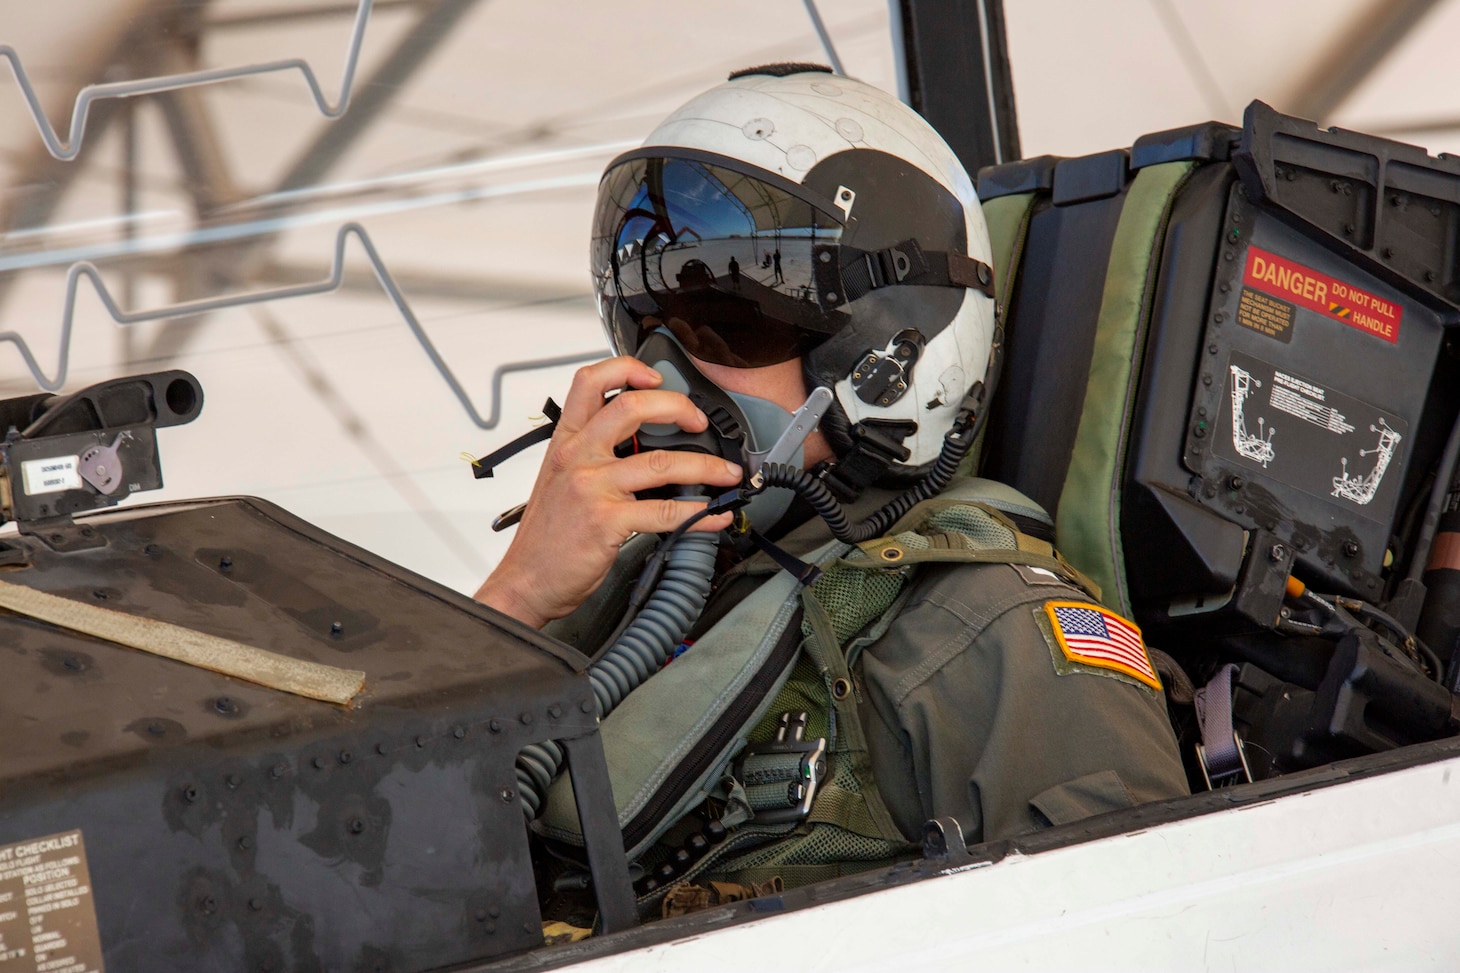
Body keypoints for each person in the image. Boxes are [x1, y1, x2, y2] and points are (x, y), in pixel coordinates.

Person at [476, 64, 1188, 905]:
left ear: (893, 353)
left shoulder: (992, 635)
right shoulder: (636, 597)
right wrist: (518, 595)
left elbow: (1152, 932)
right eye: (649, 323)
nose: (665, 372)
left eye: (728, 321)